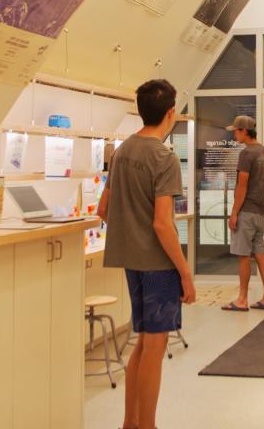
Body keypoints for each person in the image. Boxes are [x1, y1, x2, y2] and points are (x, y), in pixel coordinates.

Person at [97, 79, 197, 429]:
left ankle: (130, 423)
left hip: (131, 263)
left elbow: (103, 208)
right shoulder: (164, 157)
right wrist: (184, 272)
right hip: (158, 265)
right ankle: (148, 425)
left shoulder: (122, 150)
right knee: (154, 349)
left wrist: (131, 229)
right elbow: (162, 224)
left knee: (141, 345)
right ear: (171, 113)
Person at [222, 115, 264, 312]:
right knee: (259, 253)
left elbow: (242, 187)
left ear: (244, 131)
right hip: (260, 212)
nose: (234, 134)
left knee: (243, 255)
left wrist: (234, 213)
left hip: (246, 212)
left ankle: (242, 299)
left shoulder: (246, 154)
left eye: (235, 131)